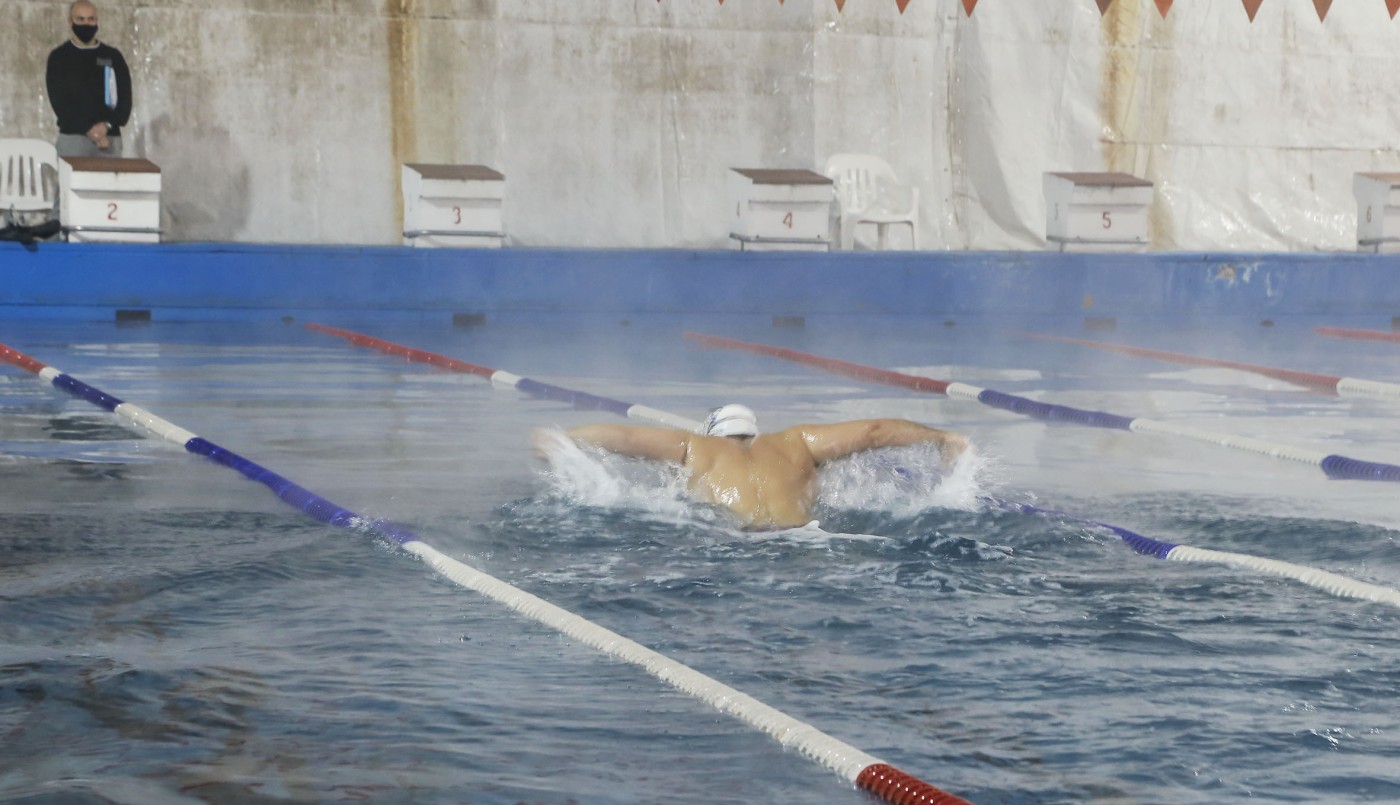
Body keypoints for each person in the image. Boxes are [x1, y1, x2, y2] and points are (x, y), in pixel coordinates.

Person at [551, 404, 968, 531]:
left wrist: (562, 439)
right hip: (805, 542)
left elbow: (624, 439)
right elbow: (876, 430)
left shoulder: (696, 448)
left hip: (738, 547)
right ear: (755, 431)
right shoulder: (798, 442)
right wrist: (941, 438)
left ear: (714, 433)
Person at [46, 1, 132, 158]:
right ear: (70, 21)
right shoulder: (59, 57)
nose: (86, 23)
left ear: (97, 21)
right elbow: (59, 102)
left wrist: (106, 126)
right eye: (80, 19)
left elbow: (125, 101)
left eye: (91, 19)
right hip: (73, 140)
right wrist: (90, 129)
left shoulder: (113, 57)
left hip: (109, 140)